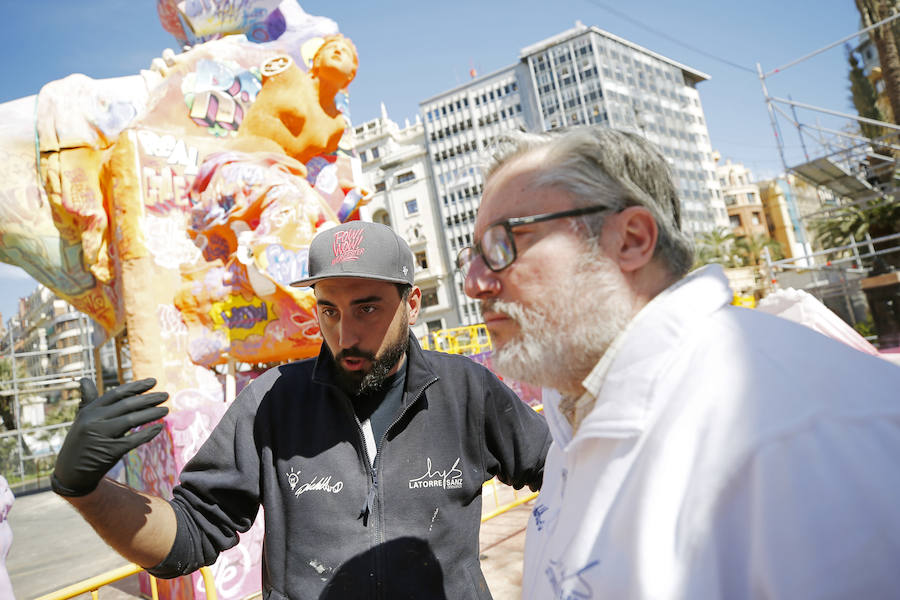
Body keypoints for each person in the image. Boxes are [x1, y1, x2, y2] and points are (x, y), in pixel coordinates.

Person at [458, 125, 900, 599]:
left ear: (630, 240)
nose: (473, 283)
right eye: (475, 253)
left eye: (505, 243)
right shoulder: (576, 416)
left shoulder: (798, 437)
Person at [51, 220, 549, 599]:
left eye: (367, 308)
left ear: (412, 303)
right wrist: (88, 491)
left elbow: (565, 470)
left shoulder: (465, 389)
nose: (345, 335)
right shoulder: (272, 402)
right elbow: (190, 537)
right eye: (329, 309)